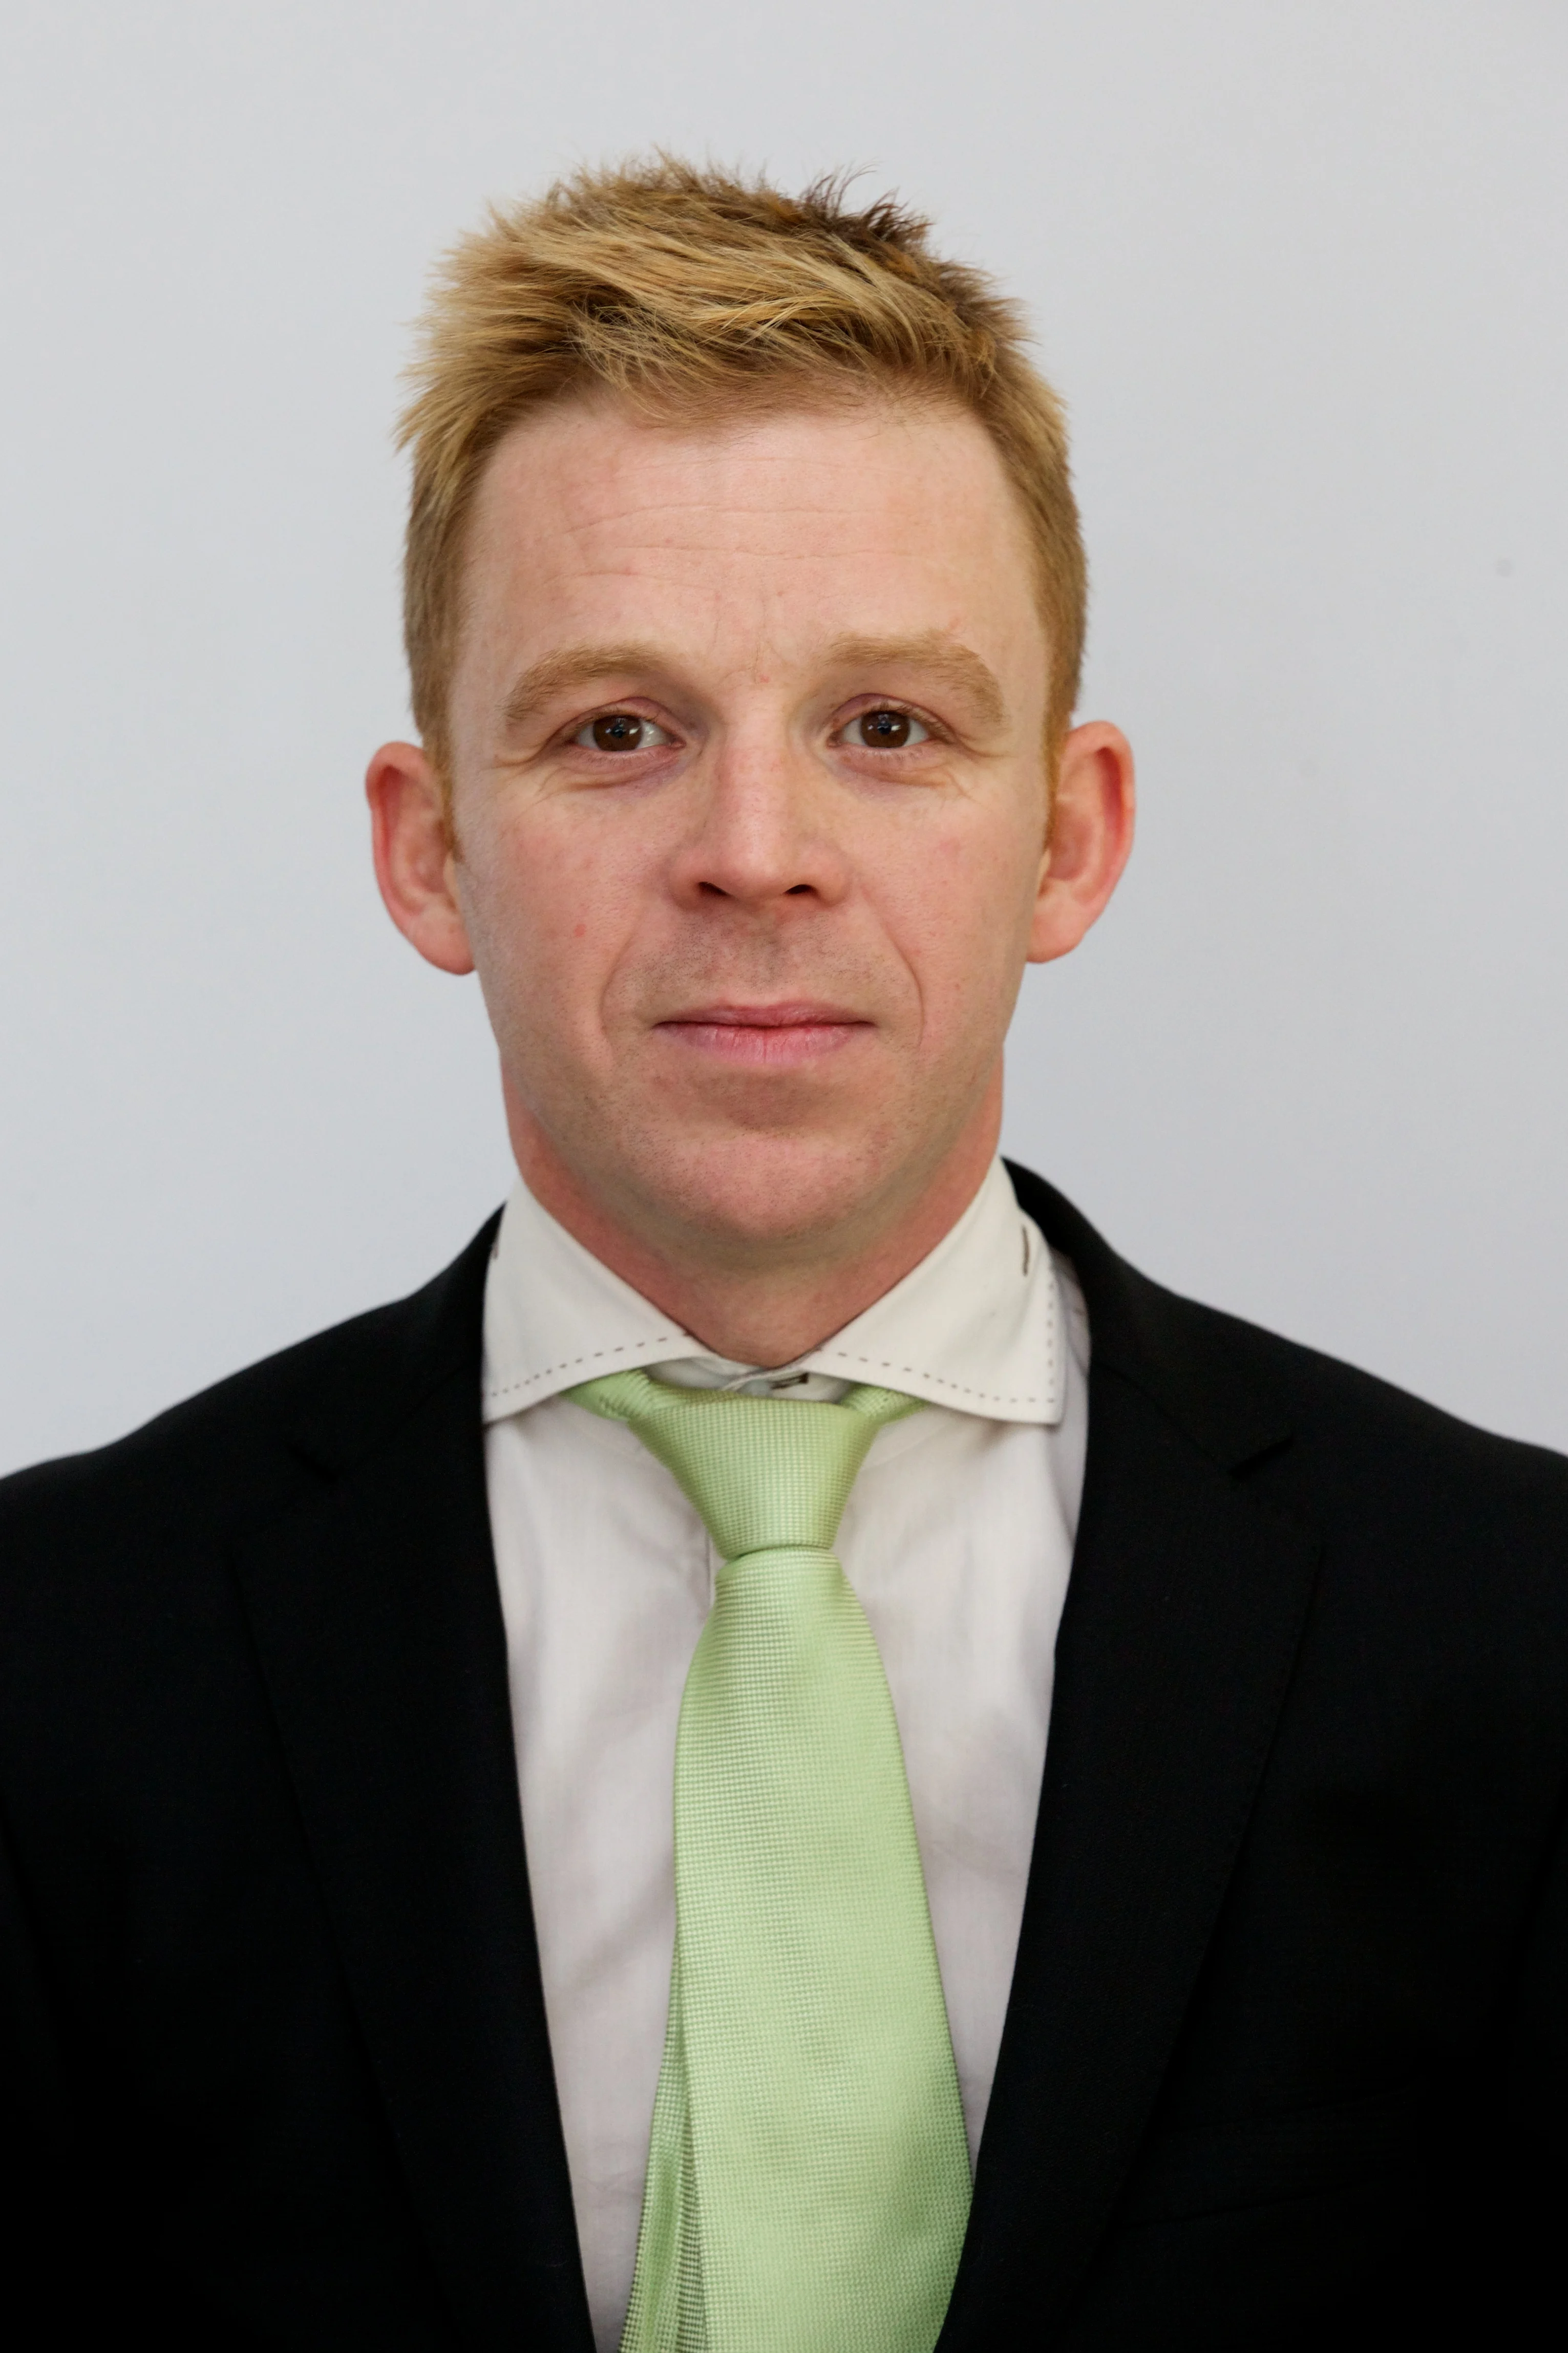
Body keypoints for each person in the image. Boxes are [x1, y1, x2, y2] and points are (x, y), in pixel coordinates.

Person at [1, 159, 1563, 2353]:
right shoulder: (52, 1662)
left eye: (889, 727)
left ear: (1071, 832)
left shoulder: (1510, 1629)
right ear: (431, 846)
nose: (756, 854)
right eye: (618, 730)